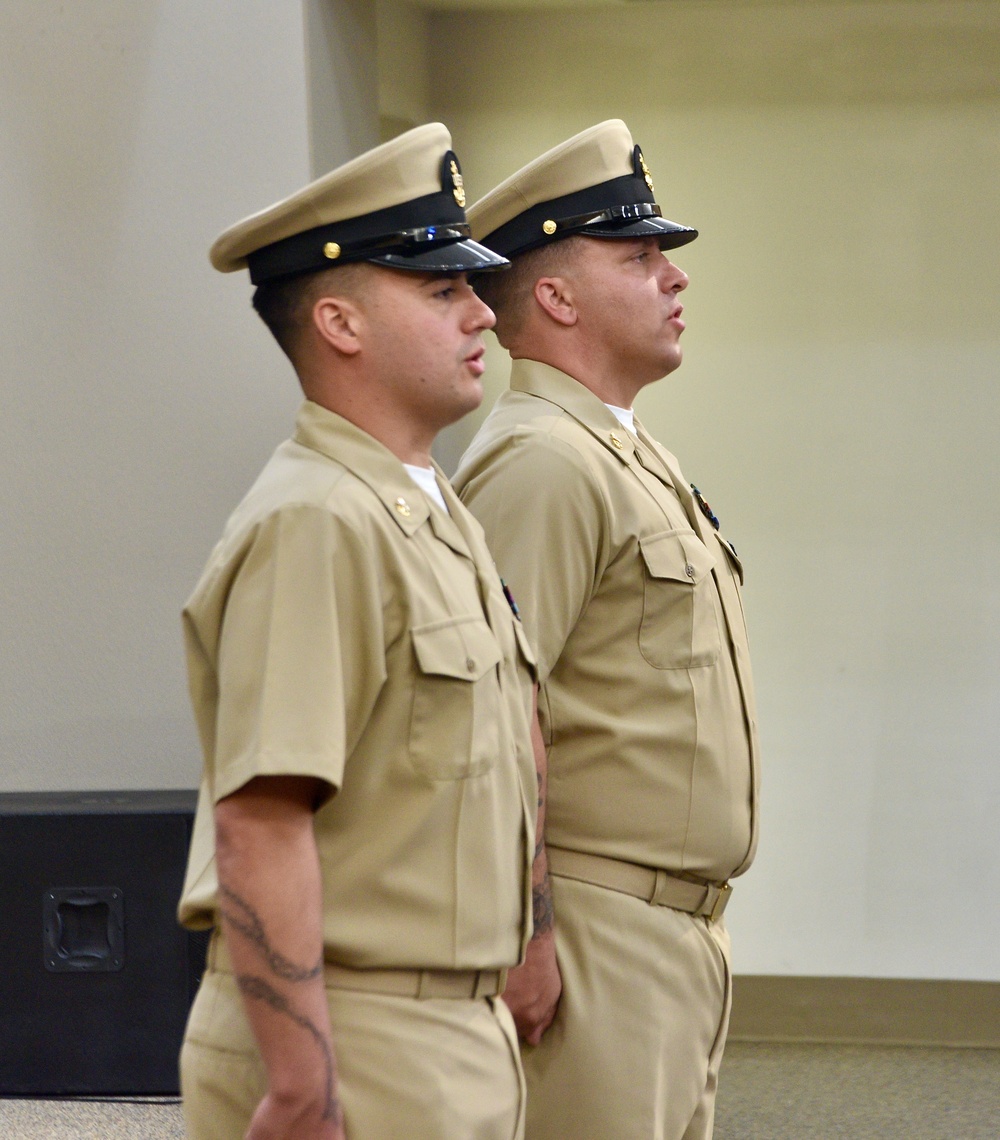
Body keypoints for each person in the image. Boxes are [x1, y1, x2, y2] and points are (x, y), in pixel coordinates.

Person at [176, 123, 541, 1140]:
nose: (481, 311)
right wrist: (300, 1084)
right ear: (338, 320)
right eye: (439, 290)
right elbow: (261, 821)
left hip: (443, 1029)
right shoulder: (317, 519)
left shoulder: (425, 511)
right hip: (355, 1037)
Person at [452, 120, 761, 1140]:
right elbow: (488, 722)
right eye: (637, 257)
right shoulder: (543, 462)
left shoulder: (623, 452)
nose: (672, 278)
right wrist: (524, 935)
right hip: (591, 934)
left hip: (668, 934)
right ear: (554, 295)